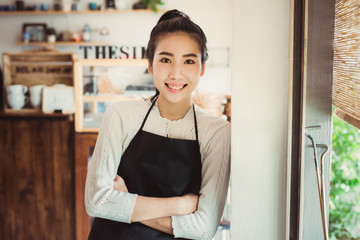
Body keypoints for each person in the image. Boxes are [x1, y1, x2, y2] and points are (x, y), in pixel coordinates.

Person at [85, 9, 230, 240]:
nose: (176, 73)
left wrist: (126, 204)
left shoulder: (216, 131)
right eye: (165, 59)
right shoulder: (120, 115)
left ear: (202, 68)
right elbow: (96, 201)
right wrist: (181, 205)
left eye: (189, 61)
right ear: (150, 65)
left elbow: (203, 228)